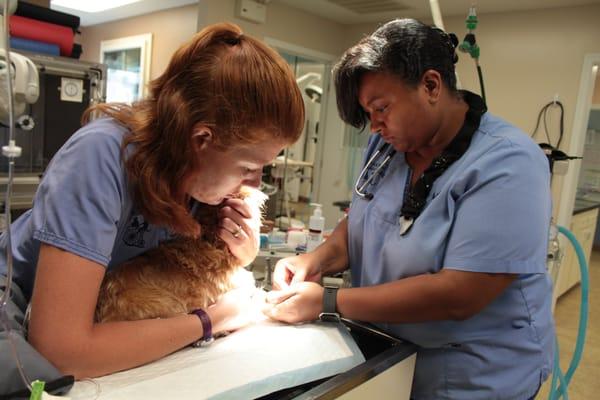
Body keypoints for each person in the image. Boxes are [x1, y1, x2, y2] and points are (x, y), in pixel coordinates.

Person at [264, 19, 554, 399]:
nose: (375, 127)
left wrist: (329, 302)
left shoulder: (508, 164)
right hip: (393, 353)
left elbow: (461, 293)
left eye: (381, 109)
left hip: (473, 371)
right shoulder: (390, 147)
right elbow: (364, 222)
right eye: (369, 114)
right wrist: (315, 261)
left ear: (431, 85)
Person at [0, 22, 304, 382]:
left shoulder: (195, 178)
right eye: (250, 167)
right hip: (17, 298)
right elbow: (63, 351)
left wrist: (241, 252)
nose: (254, 184)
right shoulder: (99, 159)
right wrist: (211, 320)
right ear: (201, 139)